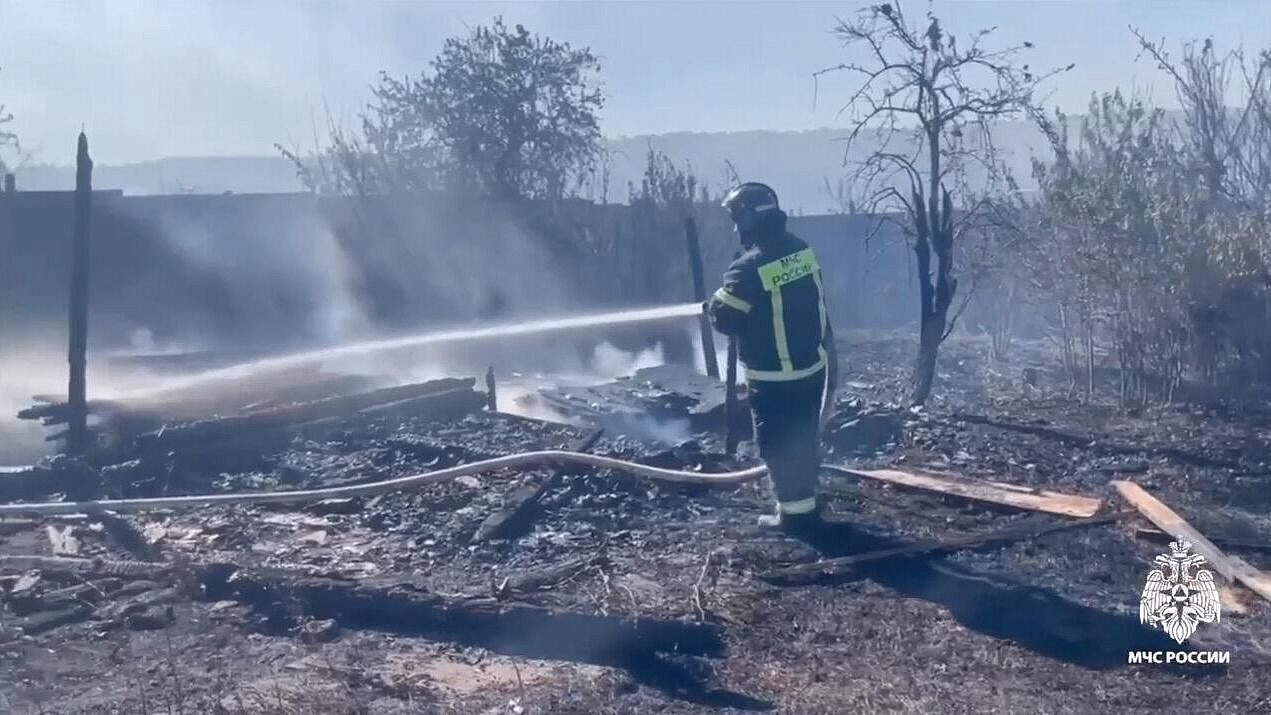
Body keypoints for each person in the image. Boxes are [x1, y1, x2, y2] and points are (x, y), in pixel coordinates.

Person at [706, 182, 838, 530]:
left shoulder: (747, 268)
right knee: (802, 437)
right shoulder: (801, 250)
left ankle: (794, 518)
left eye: (737, 219)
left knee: (777, 446)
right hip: (811, 368)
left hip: (774, 377)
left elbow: (725, 318)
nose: (736, 228)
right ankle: (805, 504)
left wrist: (715, 304)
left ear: (750, 219)